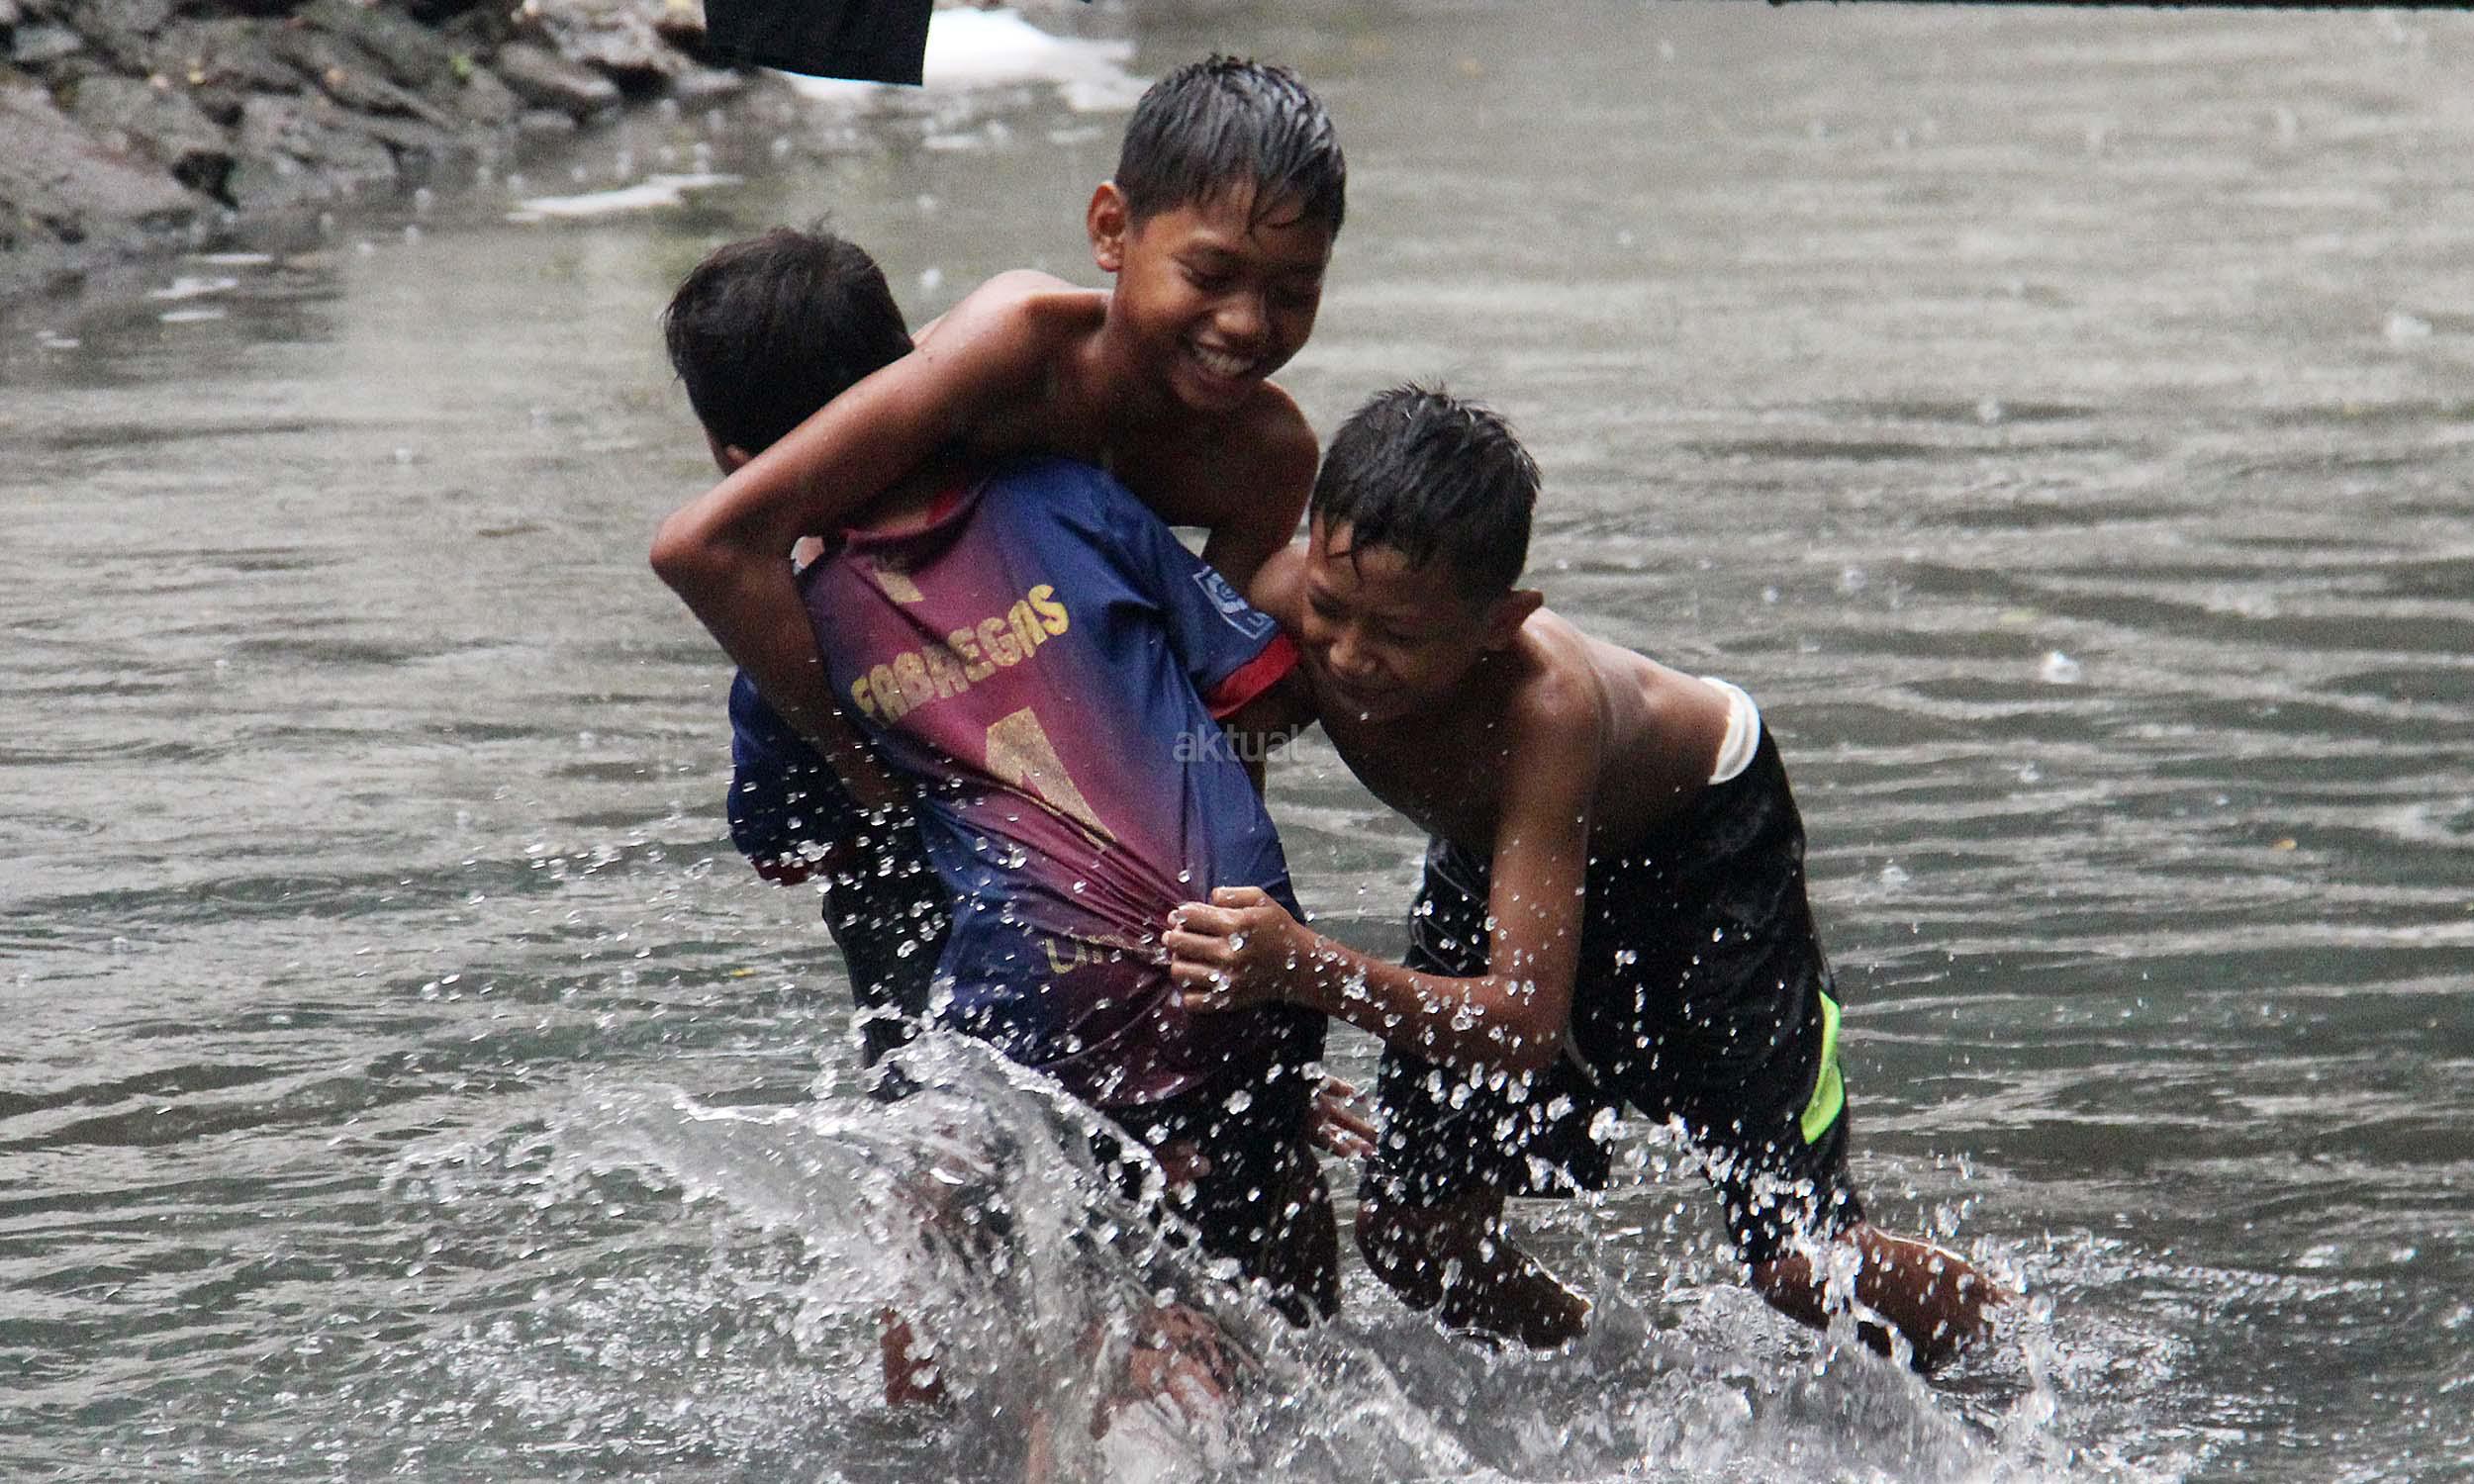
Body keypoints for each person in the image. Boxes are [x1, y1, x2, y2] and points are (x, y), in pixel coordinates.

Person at [1162, 385, 2010, 1368]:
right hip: (1502, 844)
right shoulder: (1282, 612)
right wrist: (1263, 1038)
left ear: (1500, 621)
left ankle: (2004, 1340)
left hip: (1697, 852)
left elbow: (1523, 1023)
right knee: (1415, 1238)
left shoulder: (1545, 709)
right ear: (1309, 554)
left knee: (1796, 1263)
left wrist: (1306, 969)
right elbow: (1212, 784)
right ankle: (1633, 1370)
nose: (1349, 656)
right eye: (1330, 609)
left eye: (1398, 636)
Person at [657, 228, 1343, 1344]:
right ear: (909, 374)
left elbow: (793, 848)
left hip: (1038, 1001)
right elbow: (1258, 689)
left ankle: (961, 1423)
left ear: (738, 460)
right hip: (1247, 945)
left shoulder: (795, 638)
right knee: (1257, 1229)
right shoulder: (1075, 498)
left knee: (956, 1258)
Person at [664, 53, 1345, 1067]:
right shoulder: (1009, 347)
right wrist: (864, 769)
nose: (1247, 324)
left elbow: (1213, 712)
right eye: (1209, 276)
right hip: (917, 738)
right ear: (1111, 231)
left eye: (1293, 291)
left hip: (1085, 764)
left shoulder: (1264, 456)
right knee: (936, 1087)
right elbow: (733, 536)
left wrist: (1232, 947)